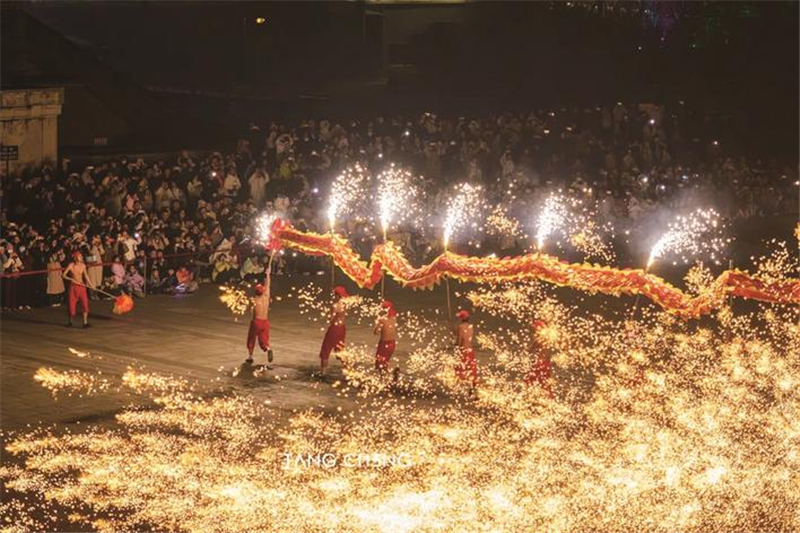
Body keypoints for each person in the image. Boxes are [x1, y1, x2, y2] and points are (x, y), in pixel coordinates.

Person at [318, 285, 348, 376]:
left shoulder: (335, 306)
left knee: (325, 349)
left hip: (334, 329)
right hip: (342, 328)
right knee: (339, 349)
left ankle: (323, 372)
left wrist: (328, 315)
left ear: (337, 295)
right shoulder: (344, 305)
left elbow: (330, 319)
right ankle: (347, 369)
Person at [523, 319, 553, 398]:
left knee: (531, 379)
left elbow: (530, 349)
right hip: (545, 363)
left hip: (541, 363)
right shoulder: (544, 338)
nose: (533, 333)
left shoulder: (541, 338)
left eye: (534, 330)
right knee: (543, 382)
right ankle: (545, 397)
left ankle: (532, 396)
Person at [245, 280, 273, 364]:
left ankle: (250, 357)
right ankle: (268, 349)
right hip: (265, 322)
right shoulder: (266, 297)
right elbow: (268, 285)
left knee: (251, 338)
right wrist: (268, 274)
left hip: (256, 322)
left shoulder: (254, 300)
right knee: (264, 340)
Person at [62, 251, 93, 327]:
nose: (81, 258)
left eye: (81, 256)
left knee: (85, 304)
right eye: (80, 256)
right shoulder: (71, 265)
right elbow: (63, 275)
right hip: (73, 287)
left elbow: (86, 275)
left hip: (82, 286)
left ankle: (85, 322)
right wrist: (71, 279)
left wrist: (91, 284)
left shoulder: (83, 265)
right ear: (76, 258)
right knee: (71, 305)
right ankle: (70, 321)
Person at [455, 309, 477, 391]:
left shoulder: (460, 327)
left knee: (460, 369)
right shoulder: (471, 327)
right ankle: (472, 387)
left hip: (463, 350)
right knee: (472, 369)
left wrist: (456, 345)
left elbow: (460, 340)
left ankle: (460, 387)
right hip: (470, 350)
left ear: (461, 318)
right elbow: (467, 337)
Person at [373, 300, 397, 375]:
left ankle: (384, 378)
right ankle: (389, 377)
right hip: (392, 344)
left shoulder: (382, 320)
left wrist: (376, 324)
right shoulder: (394, 318)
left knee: (380, 364)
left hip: (384, 345)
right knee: (385, 362)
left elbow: (376, 332)